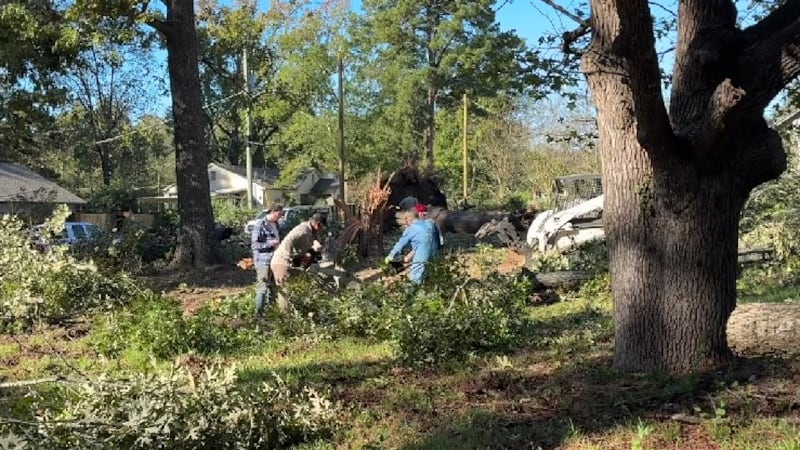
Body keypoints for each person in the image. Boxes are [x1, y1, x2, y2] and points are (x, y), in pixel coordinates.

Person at [270, 213, 327, 312]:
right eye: (322, 228)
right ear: (317, 224)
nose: (322, 231)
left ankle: (293, 316)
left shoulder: (309, 229)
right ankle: (284, 319)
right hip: (283, 262)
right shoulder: (304, 232)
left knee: (295, 289)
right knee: (285, 292)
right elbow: (302, 253)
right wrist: (313, 251)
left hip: (291, 262)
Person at [384, 208, 440, 284]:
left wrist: (391, 255)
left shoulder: (411, 228)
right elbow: (424, 242)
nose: (406, 222)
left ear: (409, 218)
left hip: (422, 254)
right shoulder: (429, 224)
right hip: (434, 252)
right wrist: (407, 258)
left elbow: (400, 244)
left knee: (416, 276)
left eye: (405, 219)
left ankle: (414, 292)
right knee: (433, 274)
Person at [250, 203, 283, 317]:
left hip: (275, 260)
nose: (280, 217)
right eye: (279, 214)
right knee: (263, 288)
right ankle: (260, 314)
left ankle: (272, 312)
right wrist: (270, 243)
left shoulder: (276, 224)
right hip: (263, 261)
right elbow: (255, 245)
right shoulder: (260, 224)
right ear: (273, 212)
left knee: (274, 287)